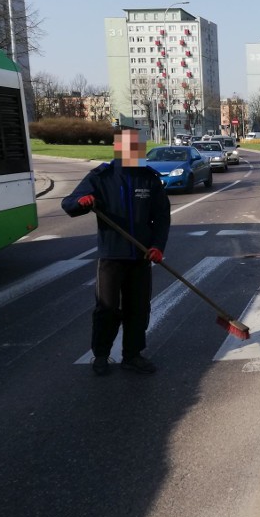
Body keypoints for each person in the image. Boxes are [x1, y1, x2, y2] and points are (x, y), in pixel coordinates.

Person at [62, 128, 171, 376]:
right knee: (107, 308)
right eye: (129, 146)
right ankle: (101, 355)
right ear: (119, 148)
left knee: (139, 309)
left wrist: (157, 246)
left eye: (137, 147)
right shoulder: (102, 177)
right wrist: (82, 203)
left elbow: (162, 217)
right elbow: (68, 203)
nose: (134, 151)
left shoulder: (149, 179)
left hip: (141, 256)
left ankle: (132, 355)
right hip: (112, 256)